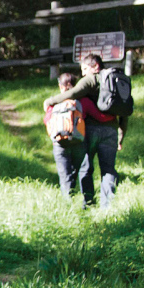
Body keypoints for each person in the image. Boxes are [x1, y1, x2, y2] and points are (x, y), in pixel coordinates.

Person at [43, 54, 127, 207]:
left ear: (96, 67)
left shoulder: (91, 79)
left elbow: (72, 93)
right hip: (111, 131)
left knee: (86, 167)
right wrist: (121, 135)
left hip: (91, 129)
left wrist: (51, 101)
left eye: (85, 68)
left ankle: (88, 202)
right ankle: (107, 207)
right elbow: (124, 110)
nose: (83, 73)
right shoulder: (116, 80)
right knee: (108, 169)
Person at [44, 72, 90, 204]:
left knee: (64, 174)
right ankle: (83, 200)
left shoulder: (54, 103)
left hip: (59, 143)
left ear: (60, 86)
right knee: (78, 170)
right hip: (78, 142)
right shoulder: (82, 101)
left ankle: (68, 203)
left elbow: (47, 120)